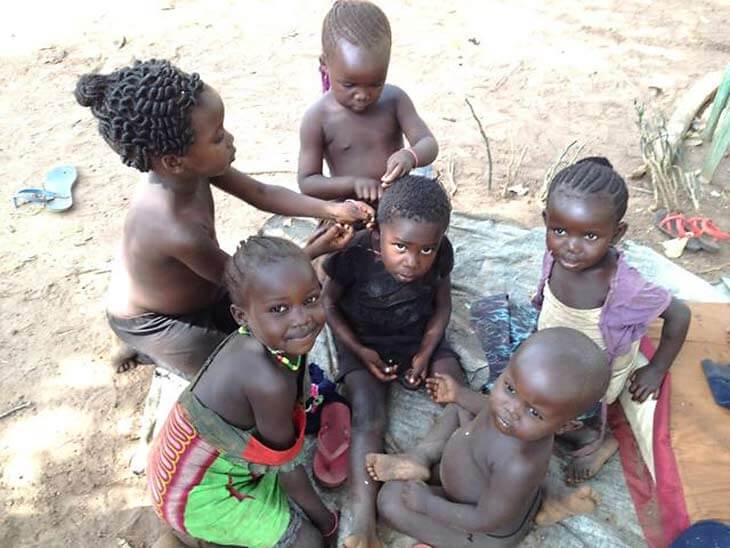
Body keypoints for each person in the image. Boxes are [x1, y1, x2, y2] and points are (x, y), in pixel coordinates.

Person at [74, 59, 372, 378]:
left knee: (258, 325)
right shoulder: (174, 228)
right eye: (217, 137)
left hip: (208, 287)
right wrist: (312, 250)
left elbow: (261, 192)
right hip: (158, 321)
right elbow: (246, 283)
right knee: (242, 371)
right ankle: (143, 346)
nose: (229, 139)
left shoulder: (192, 170)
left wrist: (332, 210)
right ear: (174, 161)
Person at [147, 236, 339, 547]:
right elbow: (288, 469)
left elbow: (277, 286)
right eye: (279, 309)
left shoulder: (265, 340)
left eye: (311, 300)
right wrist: (328, 523)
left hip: (183, 469)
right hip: (192, 494)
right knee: (309, 541)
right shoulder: (268, 382)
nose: (302, 319)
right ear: (241, 316)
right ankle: (193, 535)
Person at [366, 328, 611, 548]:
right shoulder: (507, 413)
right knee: (458, 408)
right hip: (475, 479)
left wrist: (427, 504)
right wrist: (459, 394)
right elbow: (486, 405)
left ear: (566, 426)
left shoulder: (520, 465)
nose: (511, 409)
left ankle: (546, 504)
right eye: (510, 388)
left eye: (534, 412)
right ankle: (420, 458)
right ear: (506, 370)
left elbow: (484, 519)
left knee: (391, 501)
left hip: (482, 530)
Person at [322, 175, 464, 547]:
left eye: (426, 250)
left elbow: (443, 307)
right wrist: (359, 349)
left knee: (461, 396)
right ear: (376, 236)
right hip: (364, 342)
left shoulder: (441, 252)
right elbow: (329, 303)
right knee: (368, 416)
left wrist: (426, 353)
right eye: (400, 246)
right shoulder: (352, 254)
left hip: (418, 337)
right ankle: (362, 525)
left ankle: (420, 455)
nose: (412, 261)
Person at [534, 157, 690, 482]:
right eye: (559, 230)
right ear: (547, 220)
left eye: (590, 236)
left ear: (616, 234)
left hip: (590, 375)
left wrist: (656, 368)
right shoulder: (555, 253)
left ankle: (594, 438)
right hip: (554, 349)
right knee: (495, 329)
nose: (571, 247)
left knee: (534, 415)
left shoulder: (622, 286)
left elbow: (679, 313)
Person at [298, 0, 438, 204]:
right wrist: (354, 184)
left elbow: (428, 144)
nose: (363, 94)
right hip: (347, 209)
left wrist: (410, 155)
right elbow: (308, 182)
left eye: (375, 84)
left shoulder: (395, 100)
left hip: (395, 203)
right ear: (325, 65)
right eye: (349, 84)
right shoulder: (318, 118)